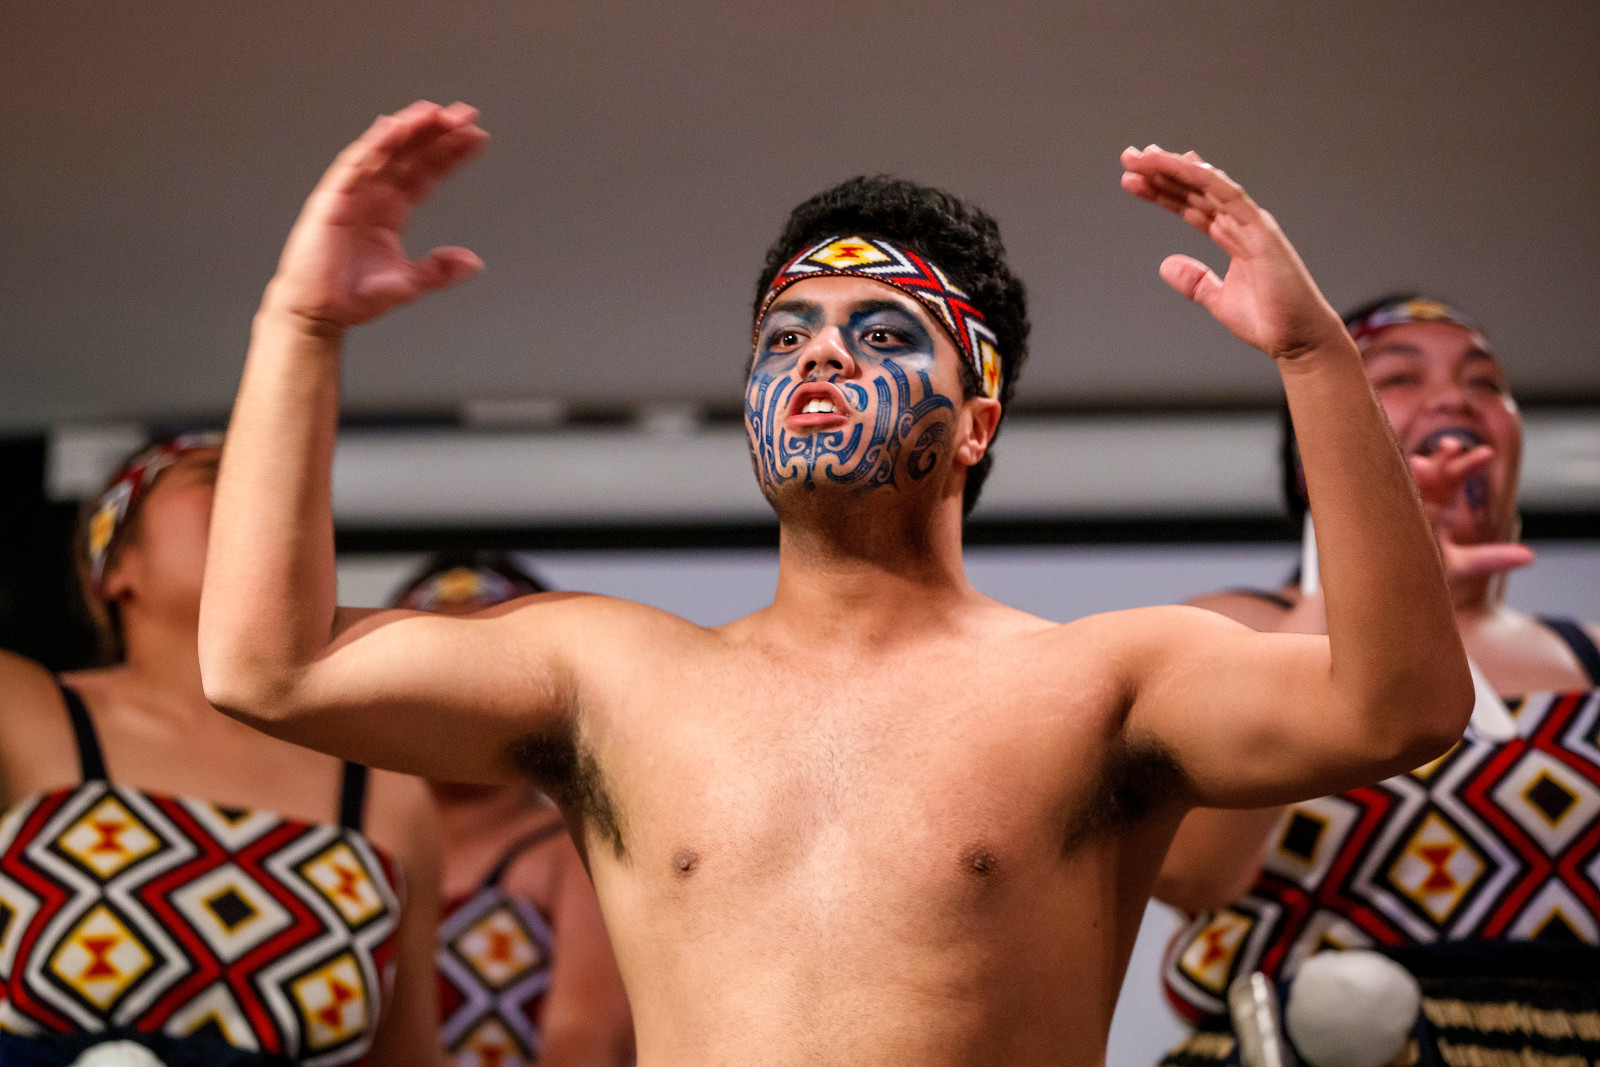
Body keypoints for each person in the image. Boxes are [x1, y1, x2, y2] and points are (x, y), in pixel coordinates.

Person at [197, 101, 1474, 1067]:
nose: (817, 357)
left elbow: (1401, 708)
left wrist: (1314, 358)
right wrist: (297, 329)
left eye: (880, 333)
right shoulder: (613, 674)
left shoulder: (1101, 680)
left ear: (976, 423)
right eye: (785, 335)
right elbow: (269, 666)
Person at [1155, 295, 1600, 1067]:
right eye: (1398, 377)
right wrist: (1364, 570)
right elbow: (1192, 871)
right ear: (1313, 451)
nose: (1455, 398)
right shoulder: (1230, 630)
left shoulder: (1588, 656)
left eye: (1484, 382)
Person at [0, 435, 444, 1066]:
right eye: (213, 473)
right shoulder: (22, 711)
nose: (260, 493)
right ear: (116, 566)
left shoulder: (388, 790)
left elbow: (409, 1058)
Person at [391, 552, 632, 1067]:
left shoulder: (574, 849)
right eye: (429, 662)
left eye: (485, 665)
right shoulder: (361, 829)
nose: (455, 688)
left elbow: (586, 1040)